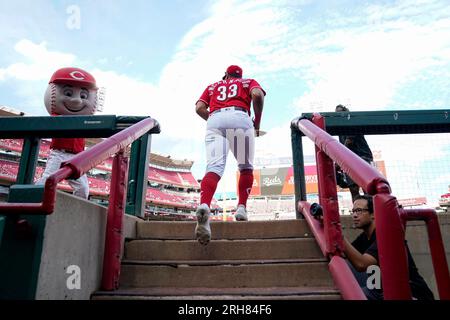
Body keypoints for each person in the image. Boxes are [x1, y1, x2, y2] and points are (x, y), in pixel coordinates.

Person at [194, 65, 265, 245]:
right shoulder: (247, 82)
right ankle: (241, 207)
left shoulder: (214, 86)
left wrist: (214, 120)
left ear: (225, 75)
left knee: (214, 168)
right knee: (245, 167)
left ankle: (204, 205)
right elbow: (257, 94)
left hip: (215, 117)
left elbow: (199, 107)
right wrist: (257, 121)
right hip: (240, 117)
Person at [343, 194, 435, 300]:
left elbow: (361, 264)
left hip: (412, 295)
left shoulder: (386, 235)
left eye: (359, 211)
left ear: (373, 214)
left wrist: (337, 234)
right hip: (382, 290)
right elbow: (345, 254)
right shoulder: (365, 237)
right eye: (353, 211)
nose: (354, 215)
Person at [36, 67, 99, 199]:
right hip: (59, 153)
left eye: (83, 96)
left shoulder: (86, 120)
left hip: (78, 157)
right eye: (69, 93)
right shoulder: (56, 116)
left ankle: (75, 214)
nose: (77, 100)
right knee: (46, 182)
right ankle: (30, 201)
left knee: (83, 189)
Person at [335, 104, 374, 202]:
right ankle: (358, 211)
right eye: (336, 114)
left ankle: (371, 211)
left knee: (366, 187)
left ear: (346, 113)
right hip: (349, 159)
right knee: (353, 188)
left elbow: (349, 141)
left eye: (340, 113)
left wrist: (338, 160)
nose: (338, 115)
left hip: (362, 157)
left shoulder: (351, 122)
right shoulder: (339, 128)